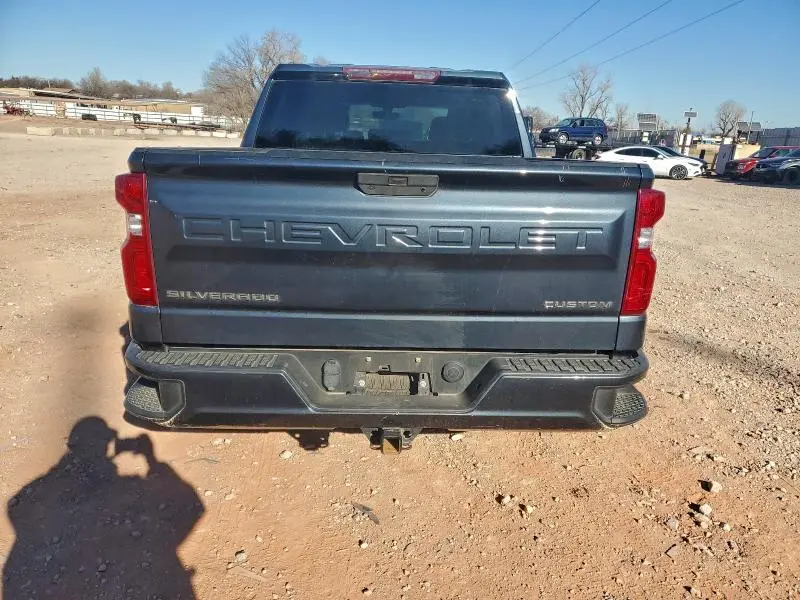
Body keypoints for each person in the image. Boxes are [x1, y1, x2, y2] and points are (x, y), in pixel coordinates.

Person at [4, 417, 204, 600]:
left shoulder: (46, 487)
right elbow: (193, 507)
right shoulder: (115, 488)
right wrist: (151, 459)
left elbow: (18, 508)